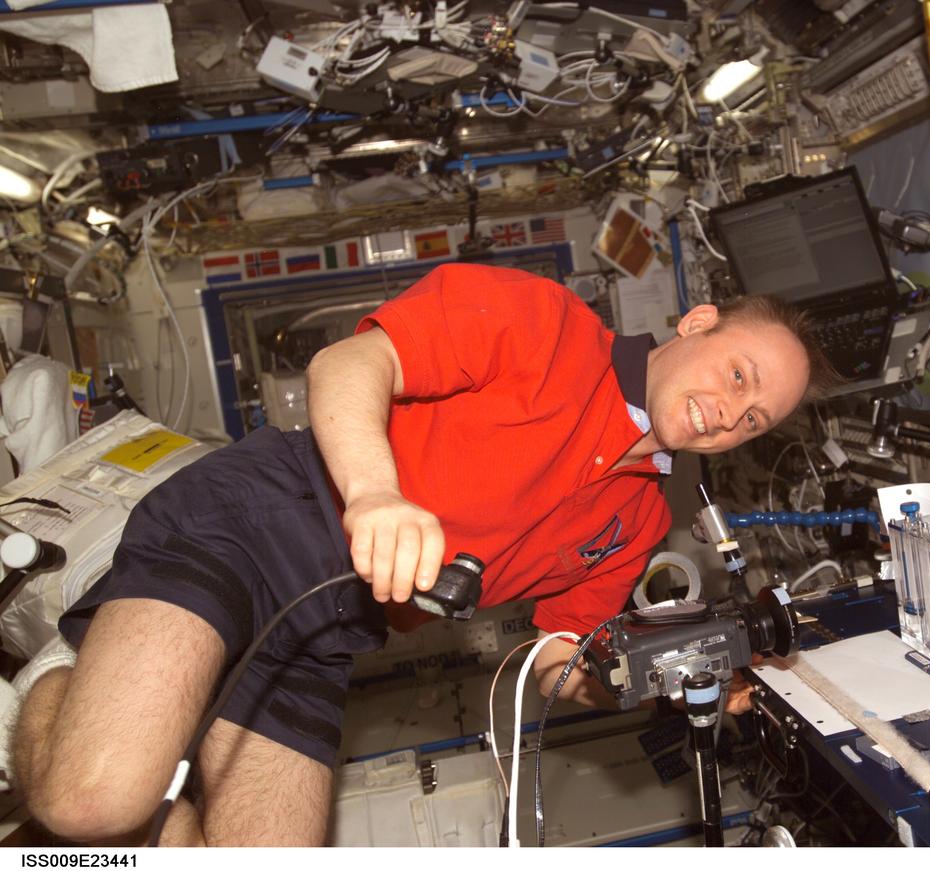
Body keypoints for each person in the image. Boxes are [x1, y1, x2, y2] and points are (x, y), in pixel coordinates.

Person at [11, 262, 832, 846]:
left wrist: (654, 681)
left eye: (754, 416)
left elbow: (553, 663)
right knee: (94, 804)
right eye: (736, 373)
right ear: (697, 323)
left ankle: (144, 711)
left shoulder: (641, 514)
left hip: (329, 633)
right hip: (257, 521)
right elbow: (350, 361)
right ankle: (61, 669)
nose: (731, 413)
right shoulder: (544, 324)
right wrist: (374, 492)